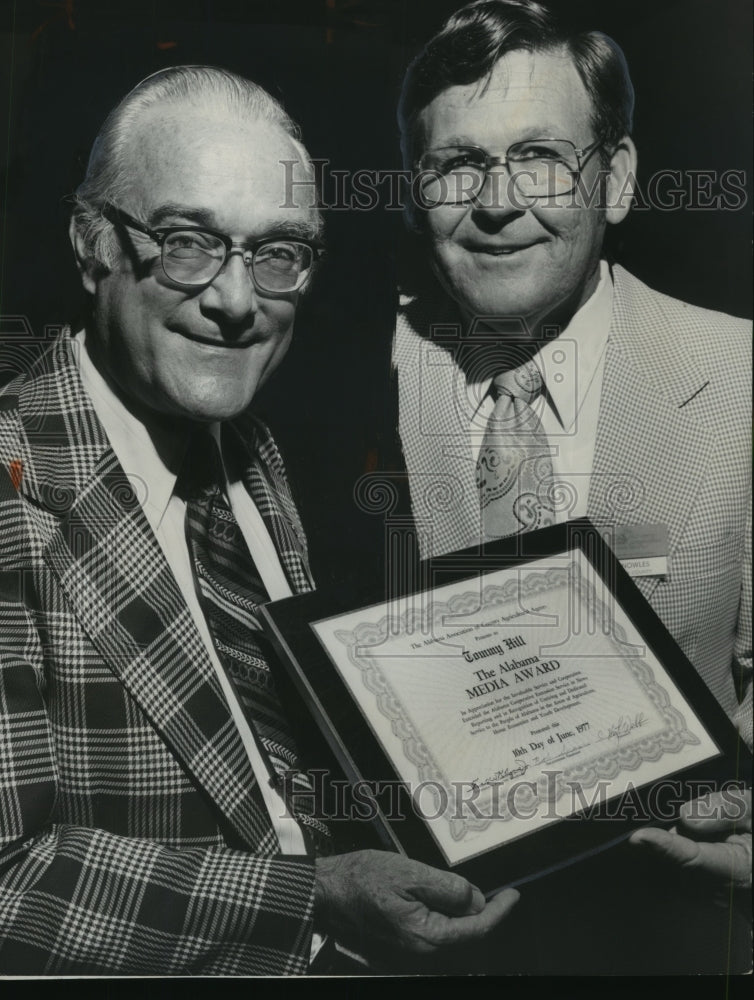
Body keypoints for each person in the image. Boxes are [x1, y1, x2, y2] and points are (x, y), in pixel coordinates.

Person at [0, 65, 519, 975]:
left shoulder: (252, 448)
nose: (238, 302)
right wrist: (311, 897)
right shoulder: (15, 492)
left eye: (278, 252)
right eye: (188, 242)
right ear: (92, 245)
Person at [388, 0, 751, 973]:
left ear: (618, 179)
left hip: (670, 938)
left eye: (541, 156)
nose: (497, 201)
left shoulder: (741, 383)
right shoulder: (334, 379)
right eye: (457, 165)